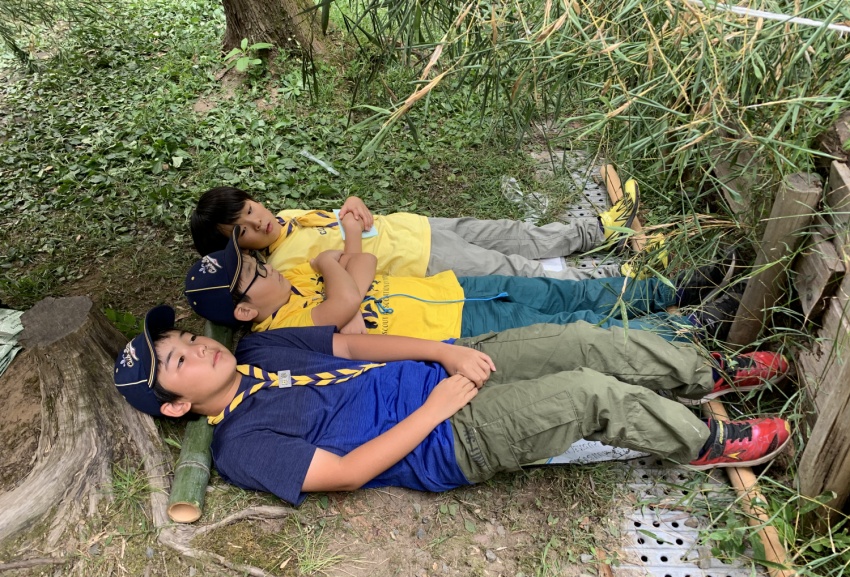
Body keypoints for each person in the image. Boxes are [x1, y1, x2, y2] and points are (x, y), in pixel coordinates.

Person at [113, 306, 791, 506]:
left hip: (442, 373)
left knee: (580, 340)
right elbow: (346, 474)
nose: (197, 349)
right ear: (176, 407)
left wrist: (446, 352)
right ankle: (705, 442)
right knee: (587, 392)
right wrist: (439, 406)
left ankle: (705, 373)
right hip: (446, 437)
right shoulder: (240, 446)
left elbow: (354, 341)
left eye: (187, 340)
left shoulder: (262, 346)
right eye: (178, 362)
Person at [183, 220, 740, 342]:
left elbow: (364, 271)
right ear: (245, 311)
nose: (260, 266)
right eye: (249, 274)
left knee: (565, 293)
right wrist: (335, 267)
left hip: (452, 288)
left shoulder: (294, 277)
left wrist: (346, 281)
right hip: (454, 328)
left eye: (251, 261)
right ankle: (689, 328)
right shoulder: (283, 329)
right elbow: (347, 296)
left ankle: (673, 290)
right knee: (571, 326)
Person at [189, 182, 643, 282]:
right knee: (515, 269)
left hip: (419, 228)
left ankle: (603, 230)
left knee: (514, 234)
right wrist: (351, 233)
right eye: (243, 230)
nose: (258, 222)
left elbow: (350, 220)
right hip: (420, 261)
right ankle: (621, 280)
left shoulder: (290, 214)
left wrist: (355, 203)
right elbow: (348, 281)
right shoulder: (286, 265)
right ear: (238, 248)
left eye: (250, 209)